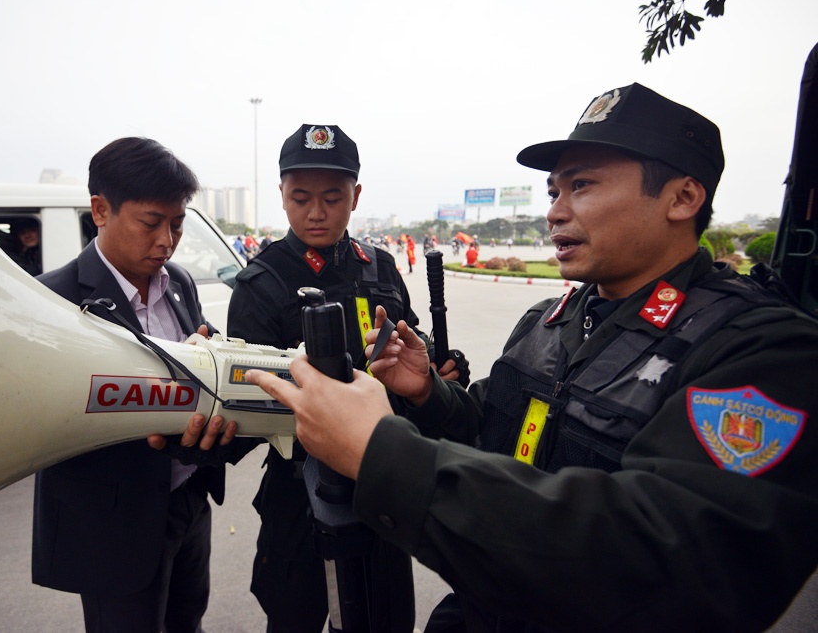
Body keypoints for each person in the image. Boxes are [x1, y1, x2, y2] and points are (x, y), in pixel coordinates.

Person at [247, 84, 818, 631]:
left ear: (683, 197)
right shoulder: (549, 321)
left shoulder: (758, 350)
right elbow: (487, 435)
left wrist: (382, 454)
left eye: (583, 186)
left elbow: (671, 559)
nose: (556, 212)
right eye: (553, 192)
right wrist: (426, 393)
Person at [227, 124, 462, 633]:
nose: (316, 212)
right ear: (282, 196)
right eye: (301, 198)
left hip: (382, 488)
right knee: (295, 618)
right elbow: (244, 402)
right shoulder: (261, 283)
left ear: (355, 197)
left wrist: (439, 376)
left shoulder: (379, 267)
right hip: (300, 493)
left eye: (332, 198)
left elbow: (409, 346)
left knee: (386, 619)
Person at [31, 137, 248, 633]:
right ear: (101, 210)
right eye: (151, 223)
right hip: (114, 521)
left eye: (178, 223)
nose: (167, 241)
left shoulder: (180, 284)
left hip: (187, 499)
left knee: (187, 622)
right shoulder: (54, 298)